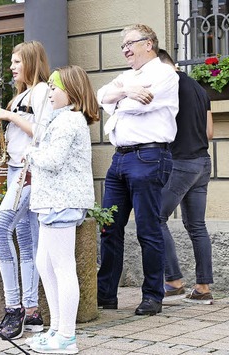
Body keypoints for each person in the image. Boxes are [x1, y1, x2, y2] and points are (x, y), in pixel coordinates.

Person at [96, 24, 179, 316]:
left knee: (148, 230)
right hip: (119, 159)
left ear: (149, 43)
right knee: (109, 228)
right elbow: (99, 96)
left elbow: (140, 106)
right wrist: (125, 90)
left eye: (130, 43)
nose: (125, 49)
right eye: (122, 45)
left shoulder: (165, 74)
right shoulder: (127, 77)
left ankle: (153, 296)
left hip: (149, 156)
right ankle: (106, 294)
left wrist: (118, 98)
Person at [24, 66, 99, 354]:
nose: (50, 92)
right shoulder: (61, 120)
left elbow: (53, 160)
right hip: (51, 202)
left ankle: (66, 336)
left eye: (55, 88)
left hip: (61, 201)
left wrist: (31, 153)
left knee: (63, 268)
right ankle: (56, 328)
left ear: (71, 91)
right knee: (45, 264)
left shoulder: (69, 120)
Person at [0, 41, 51, 339]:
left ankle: (14, 307)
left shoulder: (41, 92)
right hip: (16, 169)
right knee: (26, 244)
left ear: (31, 62)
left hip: (29, 172)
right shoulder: (22, 94)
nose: (12, 67)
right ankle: (32, 312)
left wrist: (9, 116)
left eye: (17, 62)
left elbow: (43, 132)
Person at [157, 49, 215, 304]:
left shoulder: (168, 85)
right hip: (202, 162)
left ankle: (173, 280)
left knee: (155, 216)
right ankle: (202, 288)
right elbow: (210, 132)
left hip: (181, 162)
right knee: (197, 226)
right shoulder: (200, 89)